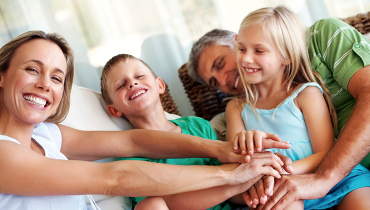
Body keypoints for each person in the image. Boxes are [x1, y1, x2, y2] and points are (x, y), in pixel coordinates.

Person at [0, 31, 288, 210]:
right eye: (32, 69)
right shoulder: (3, 152)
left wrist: (220, 150)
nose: (45, 85)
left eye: (56, 77)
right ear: (1, 74)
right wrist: (231, 176)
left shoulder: (45, 134)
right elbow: (116, 178)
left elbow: (133, 140)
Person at [188, 7, 370, 210]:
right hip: (279, 186)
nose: (246, 59)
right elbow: (236, 165)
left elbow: (325, 151)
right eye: (243, 50)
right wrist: (248, 153)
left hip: (337, 178)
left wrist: (281, 172)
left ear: (286, 56)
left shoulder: (306, 93)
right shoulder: (235, 109)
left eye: (258, 50)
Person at [99, 53, 292, 210]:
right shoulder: (129, 157)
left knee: (285, 197)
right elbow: (171, 204)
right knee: (150, 205)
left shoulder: (199, 126)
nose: (132, 84)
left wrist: (258, 185)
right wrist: (235, 184)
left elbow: (234, 194)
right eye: (121, 85)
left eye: (139, 76)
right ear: (115, 110)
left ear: (159, 85)